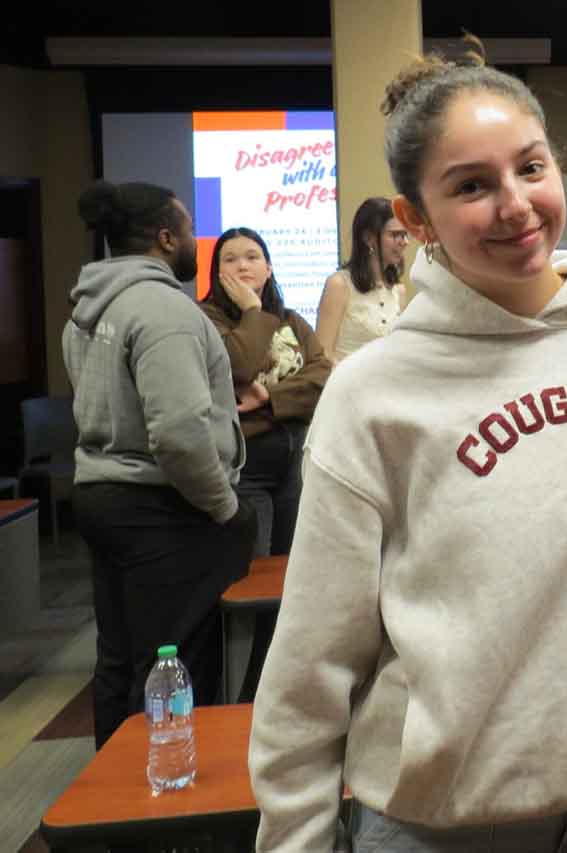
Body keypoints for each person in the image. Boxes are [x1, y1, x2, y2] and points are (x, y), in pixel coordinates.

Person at [248, 43, 567, 853]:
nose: (516, 205)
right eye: (471, 186)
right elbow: (311, 664)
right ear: (412, 219)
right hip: (440, 823)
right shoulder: (374, 391)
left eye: (531, 167)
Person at [63, 180, 257, 748]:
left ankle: (115, 807)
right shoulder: (162, 309)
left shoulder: (87, 306)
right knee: (171, 665)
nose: (196, 240)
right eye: (189, 227)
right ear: (165, 236)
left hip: (104, 494)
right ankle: (166, 815)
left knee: (120, 661)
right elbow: (176, 432)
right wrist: (225, 507)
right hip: (165, 507)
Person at [200, 227, 332, 558]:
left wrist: (269, 398)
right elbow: (241, 365)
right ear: (218, 272)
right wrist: (251, 311)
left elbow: (321, 375)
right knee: (252, 563)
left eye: (252, 257)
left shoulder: (291, 320)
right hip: (246, 462)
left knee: (292, 562)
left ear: (269, 268)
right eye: (230, 259)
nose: (242, 266)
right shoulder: (206, 319)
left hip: (296, 456)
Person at [315, 196, 410, 363]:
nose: (405, 242)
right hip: (345, 384)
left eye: (405, 235)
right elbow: (323, 355)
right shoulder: (339, 285)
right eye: (396, 235)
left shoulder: (398, 290)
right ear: (369, 238)